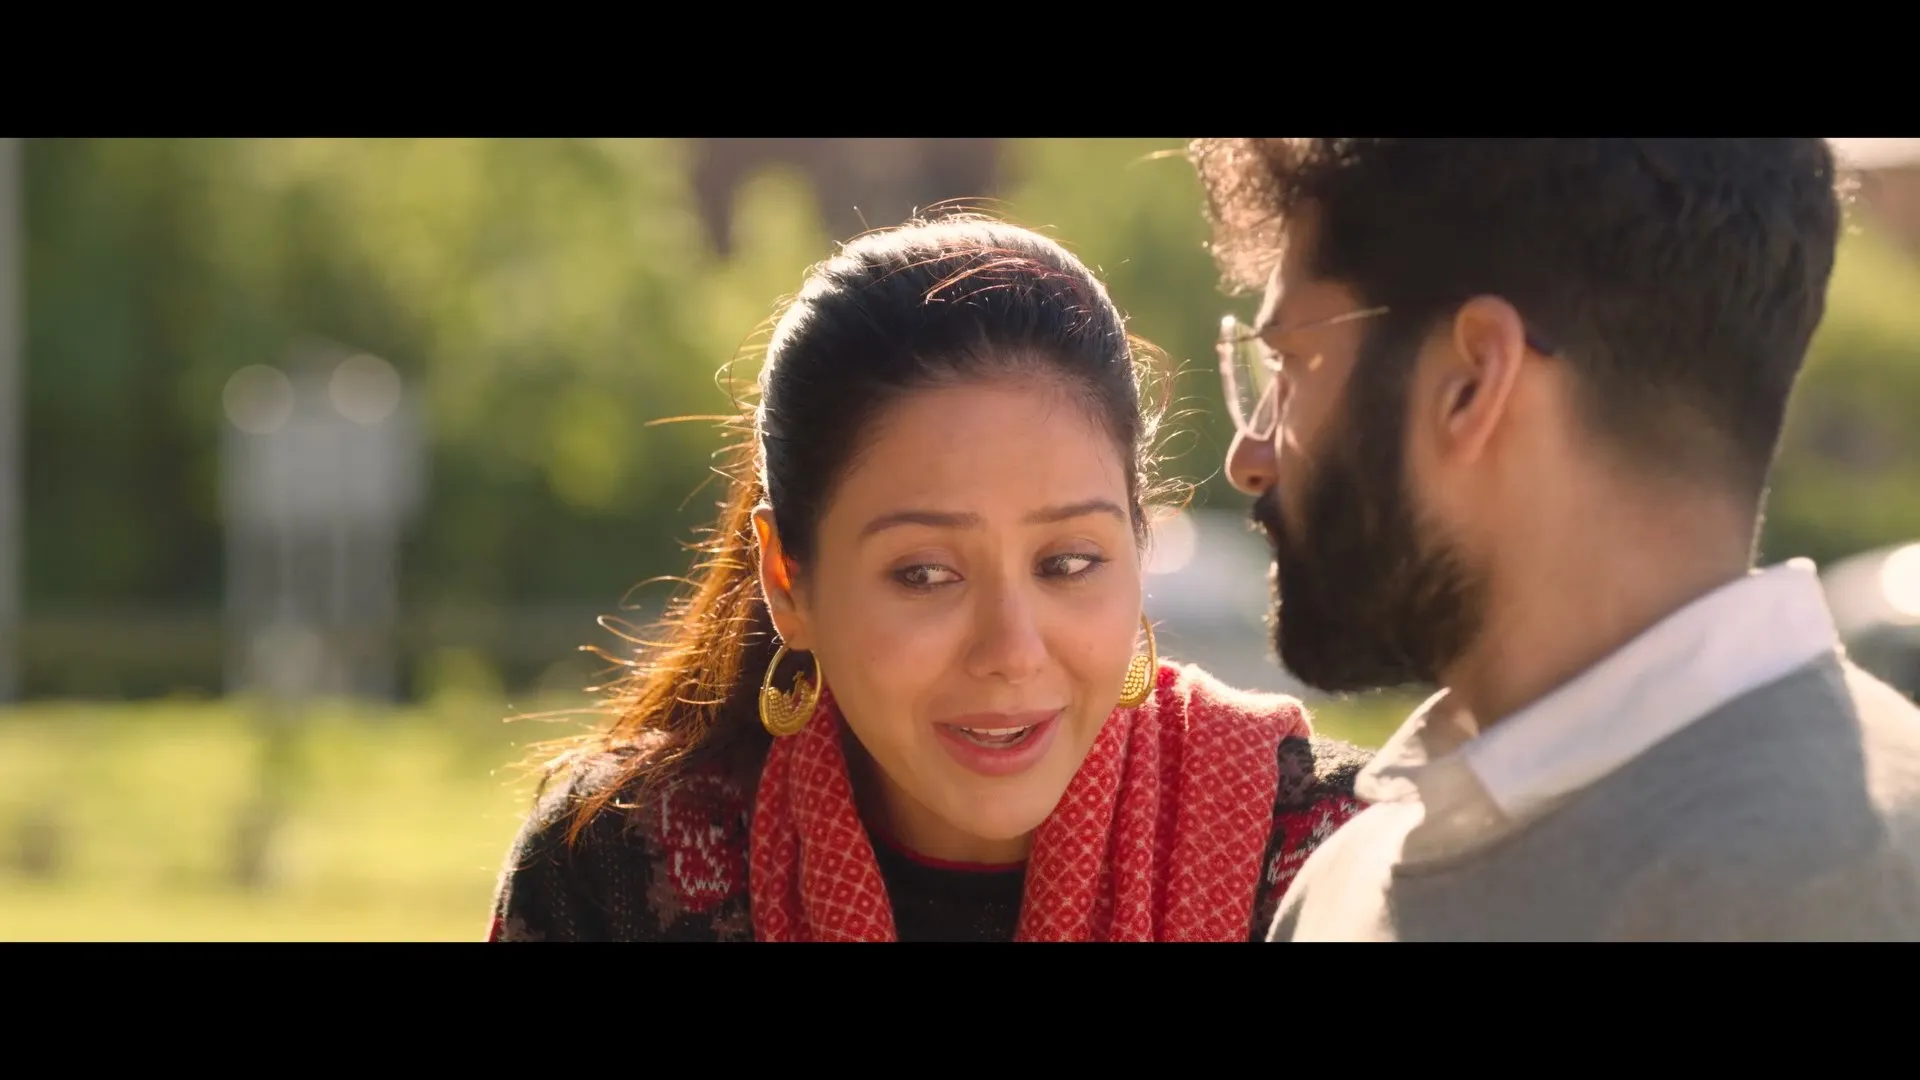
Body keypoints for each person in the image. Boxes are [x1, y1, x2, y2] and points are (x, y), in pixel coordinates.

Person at [486, 213, 1370, 942]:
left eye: (1068, 563)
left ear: (1138, 549)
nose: (1011, 651)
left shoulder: (1336, 862)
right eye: (925, 574)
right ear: (788, 581)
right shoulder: (614, 870)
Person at [1187, 137, 1920, 941]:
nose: (1249, 456)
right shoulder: (1350, 876)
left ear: (1474, 379)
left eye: (1289, 364)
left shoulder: (1830, 893)